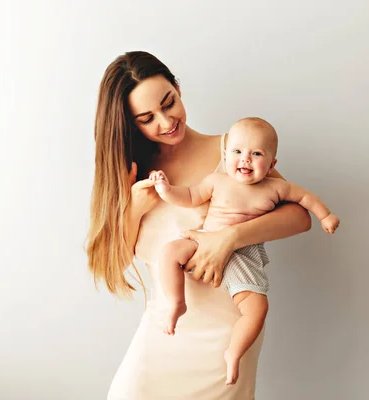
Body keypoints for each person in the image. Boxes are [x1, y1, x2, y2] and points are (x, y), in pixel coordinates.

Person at [85, 51, 312, 399]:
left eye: (168, 103)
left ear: (177, 87)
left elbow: (299, 217)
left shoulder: (233, 152)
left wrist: (229, 238)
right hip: (164, 330)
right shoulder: (132, 174)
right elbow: (111, 265)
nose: (165, 121)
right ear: (131, 124)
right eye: (147, 118)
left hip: (227, 335)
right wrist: (132, 211)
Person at [149, 116, 340, 385]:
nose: (245, 159)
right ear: (225, 154)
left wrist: (326, 215)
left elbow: (305, 199)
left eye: (256, 154)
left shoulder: (276, 187)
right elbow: (190, 197)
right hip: (205, 241)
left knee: (257, 308)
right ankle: (177, 302)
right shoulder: (217, 180)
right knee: (169, 253)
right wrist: (165, 189)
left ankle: (234, 353)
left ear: (272, 164)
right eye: (238, 152)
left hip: (243, 256)